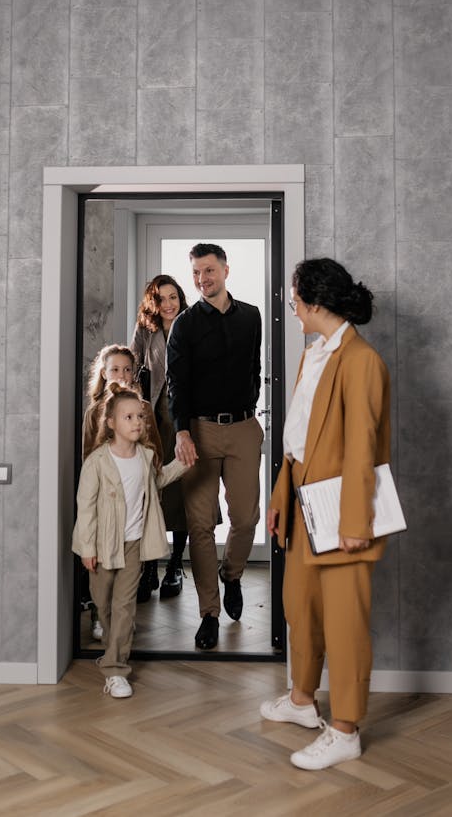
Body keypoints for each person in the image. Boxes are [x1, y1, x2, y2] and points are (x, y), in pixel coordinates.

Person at [260, 258, 390, 771]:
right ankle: (301, 701)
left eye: (295, 299)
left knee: (345, 623)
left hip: (340, 511)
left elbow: (363, 446)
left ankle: (346, 729)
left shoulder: (363, 361)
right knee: (301, 607)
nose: (291, 307)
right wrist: (277, 496)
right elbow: (296, 436)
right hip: (300, 502)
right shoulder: (313, 354)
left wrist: (356, 523)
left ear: (314, 303)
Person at [167, 242, 263, 651]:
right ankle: (209, 612)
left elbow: (256, 367)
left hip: (243, 427)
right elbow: (177, 385)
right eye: (195, 273)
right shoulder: (184, 325)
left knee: (246, 517)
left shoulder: (253, 317)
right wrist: (182, 433)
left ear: (225, 270)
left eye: (208, 270)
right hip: (200, 433)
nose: (202, 279)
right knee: (201, 524)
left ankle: (233, 573)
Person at [72, 384, 187, 698]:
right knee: (104, 604)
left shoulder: (146, 457)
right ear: (111, 422)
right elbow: (86, 507)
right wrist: (88, 548)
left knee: (124, 607)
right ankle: (116, 643)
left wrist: (182, 464)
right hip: (102, 547)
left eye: (140, 417)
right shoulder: (97, 462)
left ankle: (115, 669)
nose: (137, 422)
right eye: (128, 417)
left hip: (134, 544)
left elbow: (158, 480)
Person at [82, 344, 163, 635]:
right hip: (107, 505)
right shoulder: (95, 413)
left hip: (136, 502)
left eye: (128, 369)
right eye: (115, 369)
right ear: (104, 374)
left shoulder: (145, 411)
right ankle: (98, 616)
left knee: (129, 573)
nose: (122, 374)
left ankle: (121, 625)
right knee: (104, 571)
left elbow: (157, 456)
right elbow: (88, 457)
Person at [130, 274, 190, 600]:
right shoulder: (145, 330)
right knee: (151, 491)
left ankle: (176, 565)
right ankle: (150, 567)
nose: (168, 304)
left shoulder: (192, 324)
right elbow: (133, 364)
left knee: (180, 491)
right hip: (153, 419)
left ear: (180, 298)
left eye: (173, 297)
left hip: (182, 419)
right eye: (162, 298)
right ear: (153, 302)